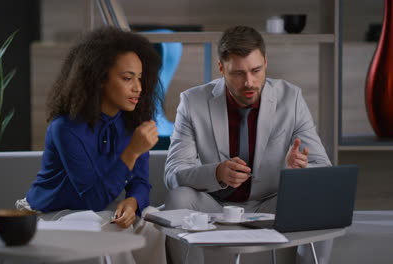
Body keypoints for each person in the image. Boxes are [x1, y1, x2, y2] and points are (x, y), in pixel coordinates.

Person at [164, 25, 333, 263]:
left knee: (319, 196)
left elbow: (323, 169)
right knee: (178, 198)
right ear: (221, 68)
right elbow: (173, 174)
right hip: (215, 205)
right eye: (238, 73)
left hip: (271, 204)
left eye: (256, 70)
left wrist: (298, 172)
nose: (249, 82)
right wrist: (216, 173)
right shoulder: (192, 102)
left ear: (266, 62)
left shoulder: (291, 98)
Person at [18, 26, 166, 264]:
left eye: (140, 78)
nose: (138, 87)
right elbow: (92, 199)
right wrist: (132, 151)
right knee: (107, 232)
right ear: (99, 79)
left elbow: (140, 182)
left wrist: (134, 202)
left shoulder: (132, 123)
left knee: (153, 222)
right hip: (54, 214)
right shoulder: (66, 128)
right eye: (127, 78)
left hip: (100, 211)